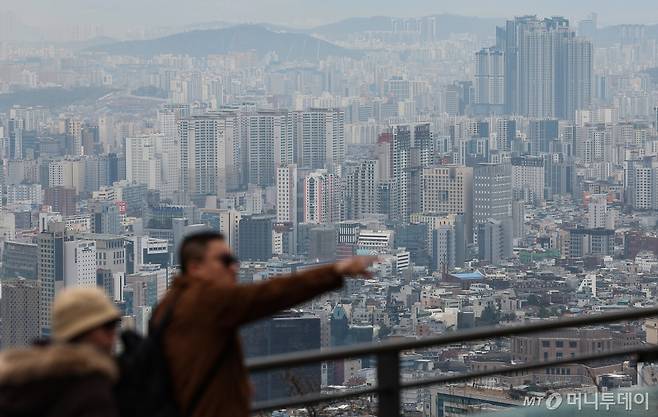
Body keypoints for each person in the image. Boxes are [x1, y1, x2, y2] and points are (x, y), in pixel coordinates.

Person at [154, 231, 376, 417]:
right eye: (225, 261)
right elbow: (269, 295)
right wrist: (334, 271)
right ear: (195, 267)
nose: (234, 267)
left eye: (234, 260)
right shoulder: (206, 302)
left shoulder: (168, 304)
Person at [0, 287, 121, 417]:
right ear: (81, 331)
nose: (113, 336)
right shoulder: (91, 393)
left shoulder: (13, 387)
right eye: (108, 326)